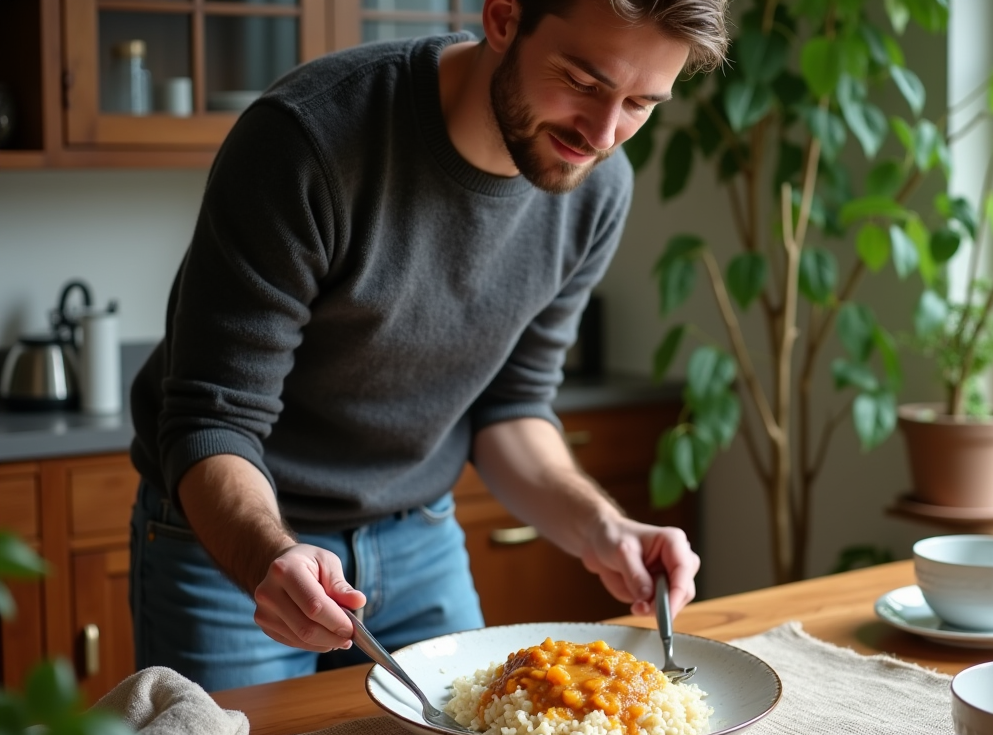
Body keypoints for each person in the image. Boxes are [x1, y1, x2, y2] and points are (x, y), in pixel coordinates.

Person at [127, 0, 730, 692]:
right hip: (234, 547)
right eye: (584, 83)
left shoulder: (595, 188)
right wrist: (276, 554)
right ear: (504, 19)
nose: (601, 133)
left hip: (418, 538)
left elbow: (513, 406)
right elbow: (212, 422)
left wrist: (605, 529)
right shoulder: (307, 140)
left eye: (640, 104)